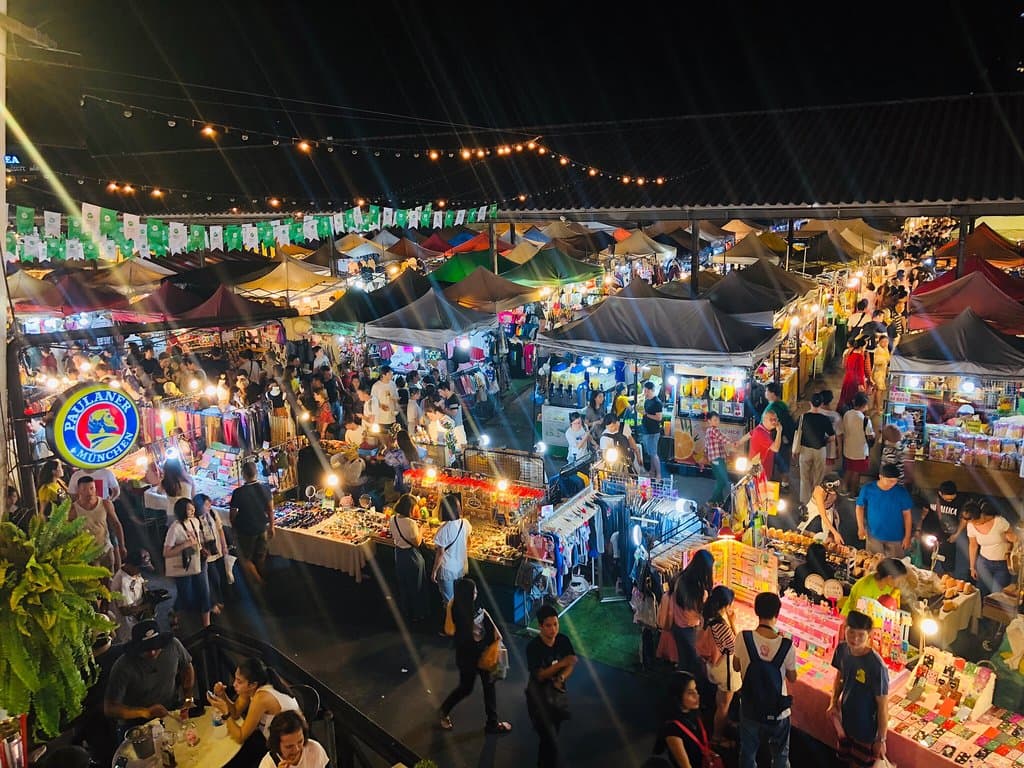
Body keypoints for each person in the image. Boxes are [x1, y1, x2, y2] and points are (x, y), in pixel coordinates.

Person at [438, 577, 512, 733]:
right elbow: (449, 630)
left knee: (489, 687)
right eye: (474, 592)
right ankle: (443, 711)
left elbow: (487, 618)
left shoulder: (476, 606)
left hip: (483, 653)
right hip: (467, 658)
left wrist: (496, 635)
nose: (476, 593)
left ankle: (492, 723)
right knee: (466, 688)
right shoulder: (456, 611)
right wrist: (450, 607)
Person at [734, 592, 796, 768]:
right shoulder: (786, 645)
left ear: (756, 611)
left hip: (750, 706)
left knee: (747, 753)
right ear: (777, 614)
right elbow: (792, 678)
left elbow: (736, 667)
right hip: (778, 712)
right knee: (780, 755)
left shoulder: (743, 637)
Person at [104, 619, 196, 730]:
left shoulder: (173, 645)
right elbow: (110, 708)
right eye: (146, 649)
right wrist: (145, 712)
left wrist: (188, 699)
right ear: (136, 648)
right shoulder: (123, 666)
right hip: (137, 723)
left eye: (156, 647)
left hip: (171, 710)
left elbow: (187, 667)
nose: (152, 653)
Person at [828, 609, 890, 767]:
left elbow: (883, 706)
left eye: (861, 635)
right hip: (846, 722)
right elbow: (840, 678)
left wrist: (881, 739)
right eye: (851, 632)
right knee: (845, 760)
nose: (855, 639)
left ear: (869, 635)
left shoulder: (877, 666)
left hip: (866, 730)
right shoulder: (842, 650)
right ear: (845, 629)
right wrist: (833, 702)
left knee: (859, 764)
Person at [526, 604, 578, 768]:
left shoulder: (563, 640)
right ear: (540, 626)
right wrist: (561, 664)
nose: (553, 629)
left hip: (557, 695)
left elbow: (571, 663)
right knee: (548, 739)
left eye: (556, 624)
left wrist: (561, 677)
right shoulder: (533, 648)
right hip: (538, 698)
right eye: (548, 625)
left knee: (553, 734)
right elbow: (540, 675)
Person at [207, 657, 300, 745]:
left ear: (253, 685)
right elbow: (235, 713)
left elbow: (240, 737)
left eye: (239, 681)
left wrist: (225, 712)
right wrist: (223, 695)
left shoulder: (261, 698)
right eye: (235, 678)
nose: (234, 684)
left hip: (289, 743)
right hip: (272, 737)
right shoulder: (250, 689)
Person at [163, 497, 211, 628]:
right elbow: (166, 552)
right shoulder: (175, 528)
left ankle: (207, 624)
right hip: (183, 565)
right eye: (189, 509)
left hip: (199, 561)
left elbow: (197, 540)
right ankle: (175, 611)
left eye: (192, 508)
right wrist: (185, 545)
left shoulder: (195, 521)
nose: (193, 511)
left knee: (204, 592)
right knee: (186, 595)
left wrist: (201, 549)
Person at [703, 585, 741, 748]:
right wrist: (733, 623)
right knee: (724, 705)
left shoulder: (708, 616)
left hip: (713, 665)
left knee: (721, 702)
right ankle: (717, 738)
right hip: (725, 670)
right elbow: (735, 646)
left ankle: (723, 721)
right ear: (725, 605)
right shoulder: (720, 625)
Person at [69, 474, 126, 577]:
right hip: (86, 552)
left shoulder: (105, 504)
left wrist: (122, 545)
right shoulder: (73, 509)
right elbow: (68, 531)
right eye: (85, 489)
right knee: (93, 581)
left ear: (96, 489)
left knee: (109, 578)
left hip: (105, 549)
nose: (89, 492)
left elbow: (116, 524)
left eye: (91, 488)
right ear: (79, 491)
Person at [230, 460, 275, 587]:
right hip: (262, 527)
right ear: (256, 473)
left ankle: (259, 582)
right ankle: (262, 577)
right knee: (261, 555)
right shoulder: (265, 489)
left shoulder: (238, 492)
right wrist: (272, 526)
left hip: (246, 530)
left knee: (245, 558)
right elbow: (270, 509)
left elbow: (232, 514)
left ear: (243, 474)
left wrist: (234, 528)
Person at [671, 549, 714, 679]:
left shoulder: (680, 578)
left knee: (684, 661)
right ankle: (690, 686)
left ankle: (681, 685)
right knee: (695, 665)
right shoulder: (698, 591)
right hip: (690, 630)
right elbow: (700, 614)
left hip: (677, 626)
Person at [856, 463, 913, 557]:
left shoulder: (901, 493)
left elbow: (907, 514)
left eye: (895, 481)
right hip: (873, 535)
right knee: (874, 562)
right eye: (890, 481)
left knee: (895, 563)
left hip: (895, 537)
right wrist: (861, 527)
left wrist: (907, 536)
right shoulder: (868, 489)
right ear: (881, 477)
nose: (893, 484)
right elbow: (859, 507)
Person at [652, 671, 706, 768]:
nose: (696, 695)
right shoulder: (672, 729)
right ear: (677, 696)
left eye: (695, 689)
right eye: (690, 692)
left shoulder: (693, 712)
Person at [966, 500, 1016, 597]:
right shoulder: (971, 525)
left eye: (977, 521)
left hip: (1002, 564)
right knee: (981, 591)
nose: (975, 524)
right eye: (973, 522)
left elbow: (1013, 537)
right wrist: (972, 567)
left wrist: (1011, 538)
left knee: (997, 595)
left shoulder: (1000, 521)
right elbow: (973, 546)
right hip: (984, 563)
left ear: (982, 515)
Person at [389, 494, 427, 622]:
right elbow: (417, 542)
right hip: (412, 557)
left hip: (399, 555)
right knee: (416, 586)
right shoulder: (411, 523)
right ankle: (418, 614)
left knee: (403, 584)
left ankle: (405, 611)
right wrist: (421, 529)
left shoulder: (393, 519)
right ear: (410, 508)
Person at [432, 493, 473, 610]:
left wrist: (434, 571)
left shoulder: (442, 530)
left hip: (446, 570)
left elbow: (440, 554)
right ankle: (458, 619)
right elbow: (469, 542)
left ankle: (450, 621)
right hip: (459, 568)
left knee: (449, 602)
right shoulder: (465, 523)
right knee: (458, 599)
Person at [921, 480, 968, 578]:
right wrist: (919, 528)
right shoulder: (931, 497)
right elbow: (924, 512)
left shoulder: (961, 501)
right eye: (947, 499)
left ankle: (948, 581)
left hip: (948, 536)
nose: (949, 501)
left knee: (948, 565)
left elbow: (964, 519)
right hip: (930, 532)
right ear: (940, 493)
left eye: (952, 499)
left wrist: (956, 535)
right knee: (927, 561)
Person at [796, 392, 836, 504]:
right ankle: (816, 500)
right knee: (818, 478)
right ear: (822, 404)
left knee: (804, 478)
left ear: (810, 403)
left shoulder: (803, 417)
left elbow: (797, 433)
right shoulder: (825, 419)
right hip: (820, 450)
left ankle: (804, 502)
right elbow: (832, 437)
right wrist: (824, 441)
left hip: (805, 450)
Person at [194, 492, 229, 614]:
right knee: (212, 578)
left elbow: (220, 530)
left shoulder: (213, 513)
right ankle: (214, 602)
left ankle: (219, 600)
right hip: (205, 555)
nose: (209, 507)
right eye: (207, 505)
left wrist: (224, 546)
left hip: (216, 550)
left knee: (219, 577)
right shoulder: (194, 519)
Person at [110, 549, 153, 644]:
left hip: (136, 622)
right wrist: (148, 605)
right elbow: (125, 611)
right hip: (128, 629)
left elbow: (139, 583)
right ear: (130, 565)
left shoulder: (130, 572)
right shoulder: (123, 582)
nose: (141, 571)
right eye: (140, 568)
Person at [259, 710, 330, 768]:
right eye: (289, 746)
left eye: (300, 741)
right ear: (277, 745)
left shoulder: (315, 749)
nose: (297, 749)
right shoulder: (268, 764)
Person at [842, 558, 906, 617]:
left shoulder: (889, 587)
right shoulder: (865, 586)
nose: (900, 583)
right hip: (850, 620)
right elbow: (859, 611)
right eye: (899, 580)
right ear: (889, 577)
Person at [841, 393, 874, 497]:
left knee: (849, 469)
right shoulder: (865, 420)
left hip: (848, 449)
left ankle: (843, 488)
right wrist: (874, 435)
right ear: (864, 405)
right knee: (856, 472)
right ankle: (853, 492)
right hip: (860, 452)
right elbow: (870, 436)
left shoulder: (847, 414)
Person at [799, 473, 844, 544]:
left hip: (829, 511)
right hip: (815, 512)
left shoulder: (835, 492)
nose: (833, 492)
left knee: (831, 538)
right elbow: (823, 515)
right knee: (811, 536)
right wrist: (835, 533)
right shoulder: (819, 491)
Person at [739, 409, 782, 479]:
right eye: (771, 419)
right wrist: (779, 431)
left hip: (756, 468)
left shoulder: (760, 427)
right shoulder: (762, 434)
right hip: (760, 472)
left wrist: (738, 442)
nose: (774, 422)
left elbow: (750, 434)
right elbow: (776, 448)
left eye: (775, 419)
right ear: (764, 420)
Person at [702, 411, 732, 505]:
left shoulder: (708, 431)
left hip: (713, 459)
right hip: (717, 458)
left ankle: (719, 501)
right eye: (715, 420)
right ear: (709, 421)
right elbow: (723, 438)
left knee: (720, 480)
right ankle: (712, 500)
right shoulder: (714, 430)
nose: (717, 421)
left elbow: (706, 446)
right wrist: (733, 443)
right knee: (723, 480)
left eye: (718, 419)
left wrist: (705, 456)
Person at [640, 380, 665, 480]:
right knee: (651, 453)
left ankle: (658, 474)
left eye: (646, 391)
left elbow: (659, 418)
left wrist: (646, 415)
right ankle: (652, 471)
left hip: (653, 432)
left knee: (654, 454)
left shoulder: (657, 402)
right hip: (647, 430)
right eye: (644, 390)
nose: (645, 393)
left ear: (652, 390)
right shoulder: (647, 401)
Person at [839, 338, 870, 411]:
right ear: (861, 347)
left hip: (848, 378)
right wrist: (861, 383)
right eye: (865, 346)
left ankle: (844, 411)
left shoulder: (850, 353)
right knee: (854, 398)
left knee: (846, 397)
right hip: (855, 381)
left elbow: (846, 366)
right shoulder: (859, 356)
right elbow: (860, 371)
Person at [818, 390, 843, 467]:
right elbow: (839, 435)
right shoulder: (836, 416)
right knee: (827, 471)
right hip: (830, 450)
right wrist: (839, 449)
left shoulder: (815, 413)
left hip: (816, 449)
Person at [870, 335, 891, 413]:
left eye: (886, 342)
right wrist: (884, 360)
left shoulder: (885, 349)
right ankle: (878, 409)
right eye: (883, 342)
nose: (885, 343)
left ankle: (874, 406)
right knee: (879, 390)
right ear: (879, 342)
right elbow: (876, 361)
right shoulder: (878, 350)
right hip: (878, 373)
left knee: (878, 390)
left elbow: (888, 359)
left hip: (883, 372)